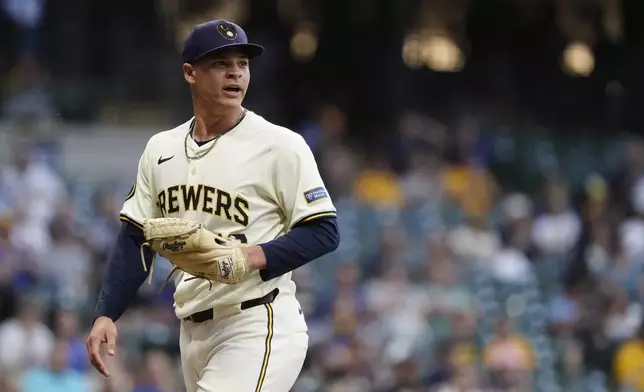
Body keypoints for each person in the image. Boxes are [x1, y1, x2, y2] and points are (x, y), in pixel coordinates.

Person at [85, 19, 340, 392]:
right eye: (221, 63)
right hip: (192, 331)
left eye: (242, 63)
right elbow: (134, 237)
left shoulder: (279, 145)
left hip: (257, 321)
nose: (235, 72)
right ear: (190, 73)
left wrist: (250, 256)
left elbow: (324, 231)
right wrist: (107, 313)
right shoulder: (161, 150)